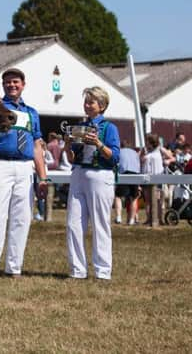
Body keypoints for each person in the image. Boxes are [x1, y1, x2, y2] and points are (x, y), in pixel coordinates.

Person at [0, 67, 48, 279]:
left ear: (23, 84)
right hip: (0, 164)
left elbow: (37, 145)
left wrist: (43, 177)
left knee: (22, 218)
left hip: (25, 166)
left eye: (15, 82)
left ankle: (14, 268)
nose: (12, 85)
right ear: (3, 85)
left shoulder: (32, 113)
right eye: (8, 82)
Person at [64, 86, 120, 280]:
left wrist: (98, 143)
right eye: (86, 101)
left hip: (100, 175)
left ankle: (103, 271)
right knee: (74, 223)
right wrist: (67, 144)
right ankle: (77, 270)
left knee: (100, 223)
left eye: (91, 102)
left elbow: (114, 157)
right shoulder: (80, 126)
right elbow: (72, 158)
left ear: (102, 105)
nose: (87, 105)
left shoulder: (109, 128)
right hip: (79, 173)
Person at [114, 140, 141, 225]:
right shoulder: (135, 153)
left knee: (118, 196)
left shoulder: (119, 151)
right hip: (135, 174)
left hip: (124, 173)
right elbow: (138, 165)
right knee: (134, 198)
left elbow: (116, 164)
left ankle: (118, 217)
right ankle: (132, 220)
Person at [140, 133, 164, 226]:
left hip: (152, 178)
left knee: (153, 201)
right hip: (154, 178)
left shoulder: (152, 155)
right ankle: (154, 218)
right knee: (153, 201)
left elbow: (146, 168)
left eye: (147, 141)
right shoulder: (155, 154)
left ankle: (154, 218)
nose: (146, 143)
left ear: (151, 142)